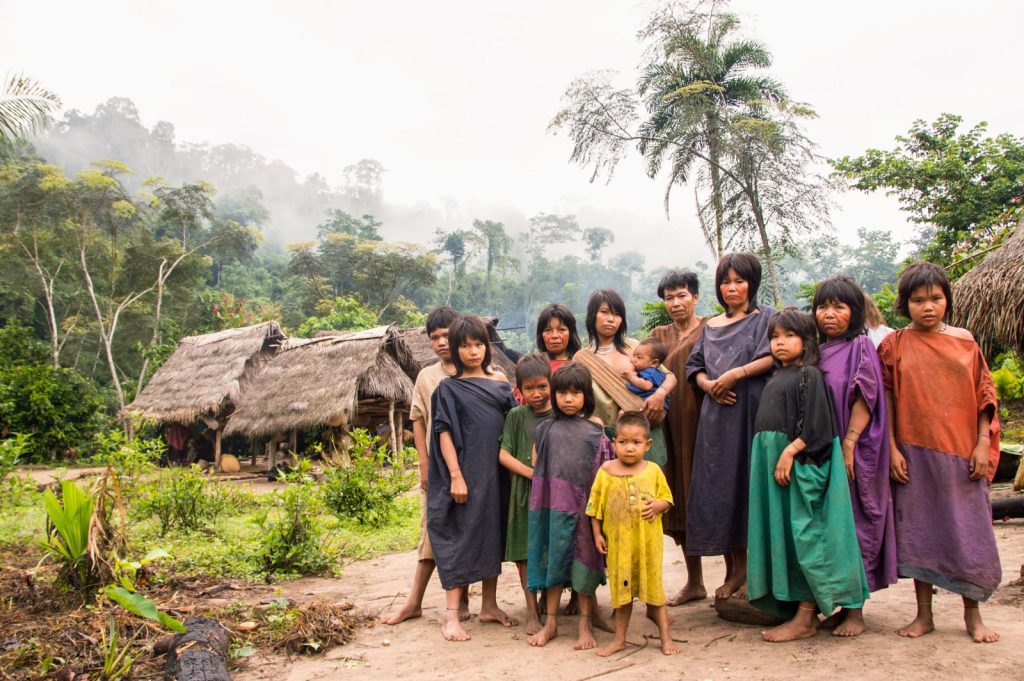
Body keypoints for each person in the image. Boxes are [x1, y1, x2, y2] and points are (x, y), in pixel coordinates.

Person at [879, 262, 1001, 643]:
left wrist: (983, 441)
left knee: (969, 531)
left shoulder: (965, 342)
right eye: (918, 300)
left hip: (962, 454)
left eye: (935, 298)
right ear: (905, 303)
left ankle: (973, 615)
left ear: (947, 299)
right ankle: (923, 615)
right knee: (919, 533)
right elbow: (887, 399)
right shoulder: (894, 344)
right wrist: (893, 449)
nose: (927, 307)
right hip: (913, 455)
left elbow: (984, 394)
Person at [746, 308, 869, 642]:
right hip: (772, 466)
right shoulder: (776, 376)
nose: (780, 343)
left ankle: (805, 616)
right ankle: (799, 612)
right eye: (775, 336)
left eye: (789, 336)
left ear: (806, 341)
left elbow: (819, 425)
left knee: (806, 538)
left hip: (797, 467)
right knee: (786, 538)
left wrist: (789, 451)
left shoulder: (809, 375)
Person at [685, 253, 775, 600]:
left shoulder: (766, 318)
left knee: (752, 487)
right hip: (717, 422)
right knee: (723, 491)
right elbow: (694, 367)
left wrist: (737, 373)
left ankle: (758, 574)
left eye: (739, 281)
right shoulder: (710, 327)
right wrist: (709, 385)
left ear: (752, 282)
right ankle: (735, 571)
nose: (732, 288)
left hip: (752, 414)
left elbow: (775, 355)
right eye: (725, 281)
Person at [813, 276, 898, 637]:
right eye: (823, 307)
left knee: (855, 523)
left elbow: (866, 396)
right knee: (829, 525)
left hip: (855, 449)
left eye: (839, 307)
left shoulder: (861, 346)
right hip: (823, 449)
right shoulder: (816, 349)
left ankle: (855, 612)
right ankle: (839, 604)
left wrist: (849, 443)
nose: (829, 314)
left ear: (855, 311)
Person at [427, 315, 518, 642]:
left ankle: (489, 605)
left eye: (478, 344)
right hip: (465, 473)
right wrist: (455, 476)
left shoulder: (500, 385)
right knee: (461, 537)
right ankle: (451, 616)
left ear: (487, 346)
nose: (473, 351)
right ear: (455, 349)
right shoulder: (447, 388)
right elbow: (443, 432)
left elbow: (515, 423)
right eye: (464, 346)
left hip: (496, 474)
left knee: (492, 534)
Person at [383, 306, 462, 626]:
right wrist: (424, 464)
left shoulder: (476, 371)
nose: (442, 342)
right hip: (439, 470)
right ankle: (413, 601)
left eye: (447, 335)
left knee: (468, 532)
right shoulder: (427, 376)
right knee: (430, 532)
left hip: (472, 465)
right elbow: (418, 419)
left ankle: (465, 602)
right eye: (435, 338)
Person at [527, 362, 614, 650]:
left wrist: (599, 517)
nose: (568, 398)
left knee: (586, 566)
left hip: (585, 512)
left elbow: (604, 472)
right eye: (562, 392)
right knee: (553, 565)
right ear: (554, 395)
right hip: (553, 510)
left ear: (586, 396)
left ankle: (584, 626)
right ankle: (550, 623)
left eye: (575, 393)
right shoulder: (545, 429)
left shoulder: (594, 431)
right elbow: (539, 470)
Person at [587, 411, 680, 657]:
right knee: (622, 595)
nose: (629, 448)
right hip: (619, 546)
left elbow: (668, 498)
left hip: (647, 545)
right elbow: (594, 508)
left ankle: (666, 638)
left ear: (648, 445)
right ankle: (620, 640)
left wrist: (659, 505)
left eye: (636, 443)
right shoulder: (606, 471)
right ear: (614, 442)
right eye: (623, 442)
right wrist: (597, 534)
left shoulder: (653, 471)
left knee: (655, 592)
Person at [649, 271, 709, 606]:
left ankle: (734, 576)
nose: (675, 303)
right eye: (669, 297)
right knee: (680, 498)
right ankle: (695, 581)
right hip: (670, 430)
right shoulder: (658, 336)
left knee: (711, 496)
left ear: (696, 297)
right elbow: (642, 372)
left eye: (681, 295)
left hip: (705, 427)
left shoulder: (711, 329)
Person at [574, 289, 675, 467]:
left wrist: (661, 393)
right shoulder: (582, 359)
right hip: (604, 440)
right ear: (592, 315)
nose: (611, 319)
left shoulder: (636, 347)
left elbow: (669, 376)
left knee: (649, 491)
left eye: (617, 314)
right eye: (604, 312)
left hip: (643, 434)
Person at [498, 354, 554, 635]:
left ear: (551, 383)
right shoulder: (517, 415)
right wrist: (531, 473)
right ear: (518, 389)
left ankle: (548, 601)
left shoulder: (561, 414)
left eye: (542, 386)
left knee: (552, 547)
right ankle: (532, 611)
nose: (536, 393)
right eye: (529, 388)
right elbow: (503, 454)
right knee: (525, 554)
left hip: (556, 494)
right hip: (525, 494)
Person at [623, 337, 670, 409]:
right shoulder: (646, 371)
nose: (633, 360)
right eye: (634, 356)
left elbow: (647, 386)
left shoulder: (651, 372)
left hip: (650, 406)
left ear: (654, 363)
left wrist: (631, 377)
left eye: (639, 357)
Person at [535, 303, 582, 371]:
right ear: (541, 334)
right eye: (548, 330)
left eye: (561, 330)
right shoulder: (535, 368)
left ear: (571, 333)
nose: (555, 336)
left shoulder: (581, 364)